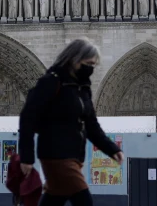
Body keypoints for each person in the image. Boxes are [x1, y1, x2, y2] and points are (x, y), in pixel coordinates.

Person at [19, 39, 124, 206]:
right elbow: (27, 118)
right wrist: (26, 157)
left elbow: (91, 124)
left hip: (74, 156)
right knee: (83, 200)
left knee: (54, 199)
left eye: (94, 65)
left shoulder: (82, 88)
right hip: (55, 155)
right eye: (88, 63)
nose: (91, 68)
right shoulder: (51, 82)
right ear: (75, 59)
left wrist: (111, 149)